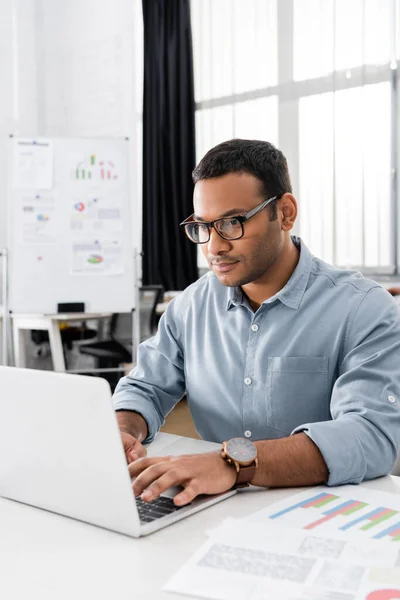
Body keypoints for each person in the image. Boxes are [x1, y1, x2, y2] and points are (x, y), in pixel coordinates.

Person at [113, 139, 400, 507]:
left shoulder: (363, 308)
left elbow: (371, 435)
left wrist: (233, 464)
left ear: (285, 213)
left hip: (321, 511)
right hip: (212, 507)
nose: (213, 247)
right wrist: (124, 430)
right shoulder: (191, 306)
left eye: (231, 223)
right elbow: (146, 386)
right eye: (202, 227)